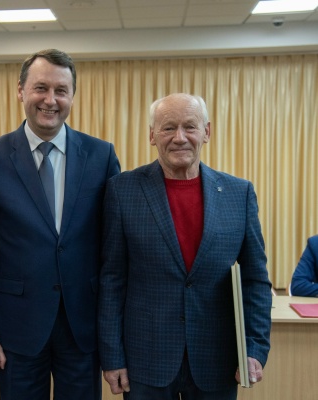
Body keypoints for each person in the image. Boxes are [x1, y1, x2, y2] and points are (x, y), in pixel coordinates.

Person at [0, 48, 120, 400]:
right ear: (21, 91)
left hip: (82, 327)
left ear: (72, 96)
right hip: (16, 327)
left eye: (61, 90)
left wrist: (114, 335)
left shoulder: (101, 155)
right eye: (41, 88)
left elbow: (113, 252)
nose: (50, 100)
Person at [98, 93, 272, 399]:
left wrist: (254, 348)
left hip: (218, 360)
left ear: (207, 131)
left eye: (190, 126)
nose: (179, 137)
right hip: (145, 360)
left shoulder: (239, 193)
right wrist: (112, 356)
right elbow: (112, 280)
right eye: (168, 128)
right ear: (152, 135)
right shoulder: (122, 190)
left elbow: (255, 280)